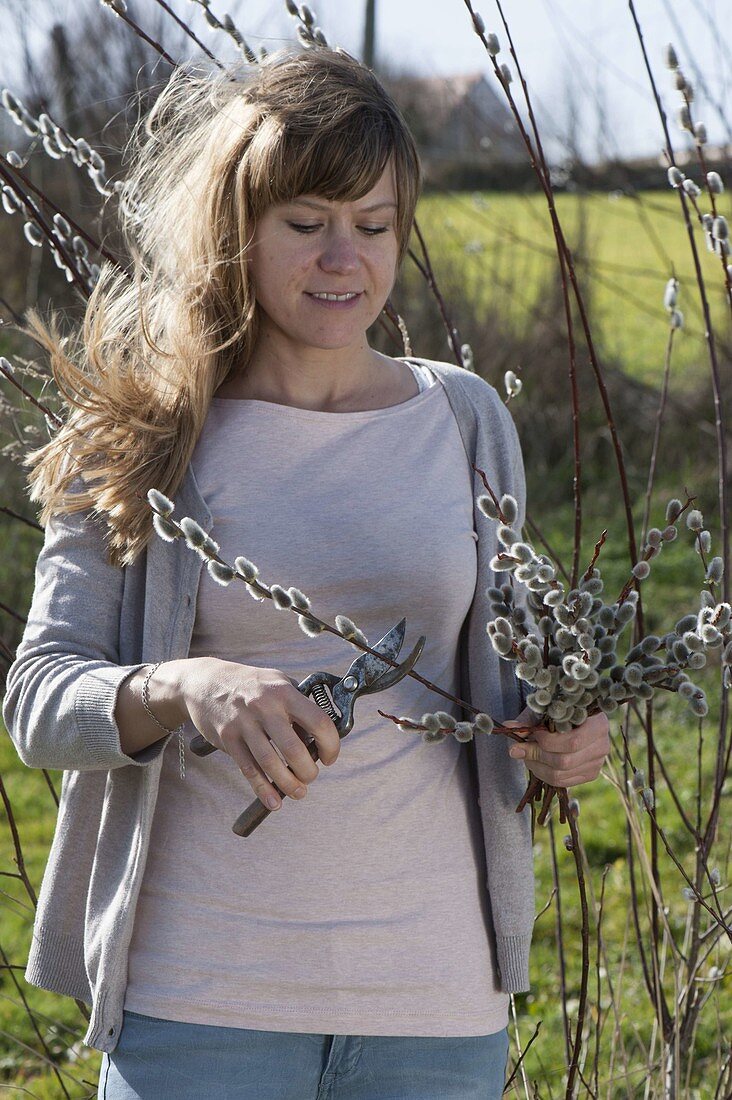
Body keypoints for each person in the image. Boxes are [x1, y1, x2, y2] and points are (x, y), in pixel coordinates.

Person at [3, 46, 610, 1100]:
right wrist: (188, 686)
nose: (344, 257)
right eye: (306, 221)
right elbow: (38, 699)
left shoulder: (463, 420)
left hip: (434, 1007)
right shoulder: (145, 430)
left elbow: (519, 681)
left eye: (372, 225)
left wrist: (563, 731)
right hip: (197, 1006)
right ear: (237, 226)